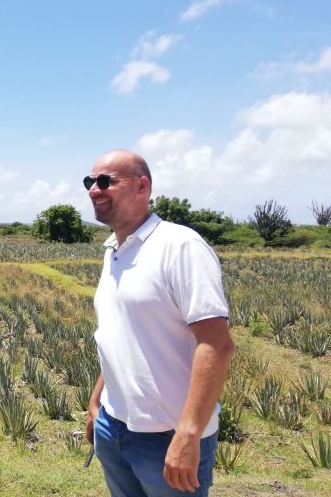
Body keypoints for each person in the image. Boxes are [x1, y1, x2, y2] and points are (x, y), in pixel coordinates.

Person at [83, 149, 235, 496]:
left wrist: (188, 433)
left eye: (106, 181)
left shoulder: (180, 246)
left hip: (168, 437)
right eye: (90, 182)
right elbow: (123, 335)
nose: (94, 189)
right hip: (113, 427)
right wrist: (97, 404)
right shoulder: (115, 250)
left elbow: (216, 344)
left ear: (142, 186)